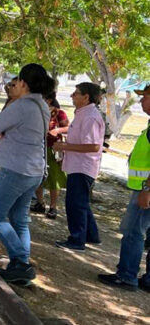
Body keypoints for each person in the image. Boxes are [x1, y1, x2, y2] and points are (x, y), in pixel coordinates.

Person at [0, 63, 54, 286]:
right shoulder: (41, 104)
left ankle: (22, 264)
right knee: (19, 220)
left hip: (17, 169)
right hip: (34, 170)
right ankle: (19, 267)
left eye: (16, 82)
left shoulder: (22, 105)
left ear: (23, 83)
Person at [98, 84, 150, 292]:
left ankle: (127, 276)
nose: (141, 101)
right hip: (143, 188)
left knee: (133, 232)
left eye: (145, 97)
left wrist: (147, 190)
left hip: (144, 190)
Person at [53, 82, 105, 251]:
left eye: (76, 93)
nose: (72, 96)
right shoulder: (83, 113)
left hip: (83, 166)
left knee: (75, 204)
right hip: (77, 164)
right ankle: (91, 234)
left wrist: (65, 147)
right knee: (81, 202)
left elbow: (94, 146)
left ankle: (77, 240)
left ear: (86, 97)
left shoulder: (90, 116)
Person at [31, 95, 69, 219]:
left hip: (52, 149)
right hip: (37, 146)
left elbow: (68, 128)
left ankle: (53, 207)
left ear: (49, 99)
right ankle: (40, 202)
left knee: (54, 179)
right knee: (37, 176)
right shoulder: (36, 111)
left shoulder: (59, 113)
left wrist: (57, 131)